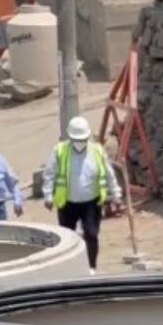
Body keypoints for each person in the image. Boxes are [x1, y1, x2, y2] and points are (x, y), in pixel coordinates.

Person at [45, 115, 116, 270]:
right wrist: (48, 196)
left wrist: (115, 193)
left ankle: (91, 266)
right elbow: (50, 174)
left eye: (83, 139)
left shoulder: (97, 151)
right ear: (70, 137)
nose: (80, 142)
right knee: (67, 238)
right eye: (77, 139)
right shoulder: (60, 151)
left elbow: (109, 173)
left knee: (91, 234)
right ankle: (69, 268)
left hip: (91, 202)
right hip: (67, 202)